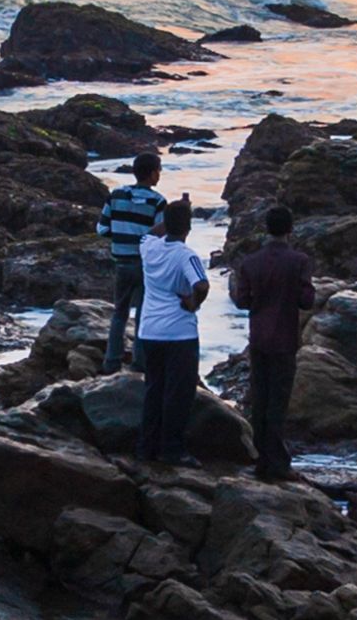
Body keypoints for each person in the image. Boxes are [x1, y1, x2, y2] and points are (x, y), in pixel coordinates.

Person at [228, 207, 318, 482]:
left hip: (258, 336)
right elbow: (307, 301)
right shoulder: (299, 261)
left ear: (266, 229)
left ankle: (261, 458)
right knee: (278, 401)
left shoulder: (251, 262)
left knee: (260, 398)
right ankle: (278, 463)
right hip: (285, 338)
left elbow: (242, 301)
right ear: (290, 229)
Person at [129, 197, 213, 467]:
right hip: (179, 332)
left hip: (149, 330)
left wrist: (170, 216)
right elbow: (201, 285)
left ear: (164, 223)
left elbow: (150, 233)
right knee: (178, 394)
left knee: (154, 389)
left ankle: (146, 447)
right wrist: (193, 303)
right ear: (189, 227)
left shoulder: (149, 247)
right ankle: (172, 450)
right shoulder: (186, 255)